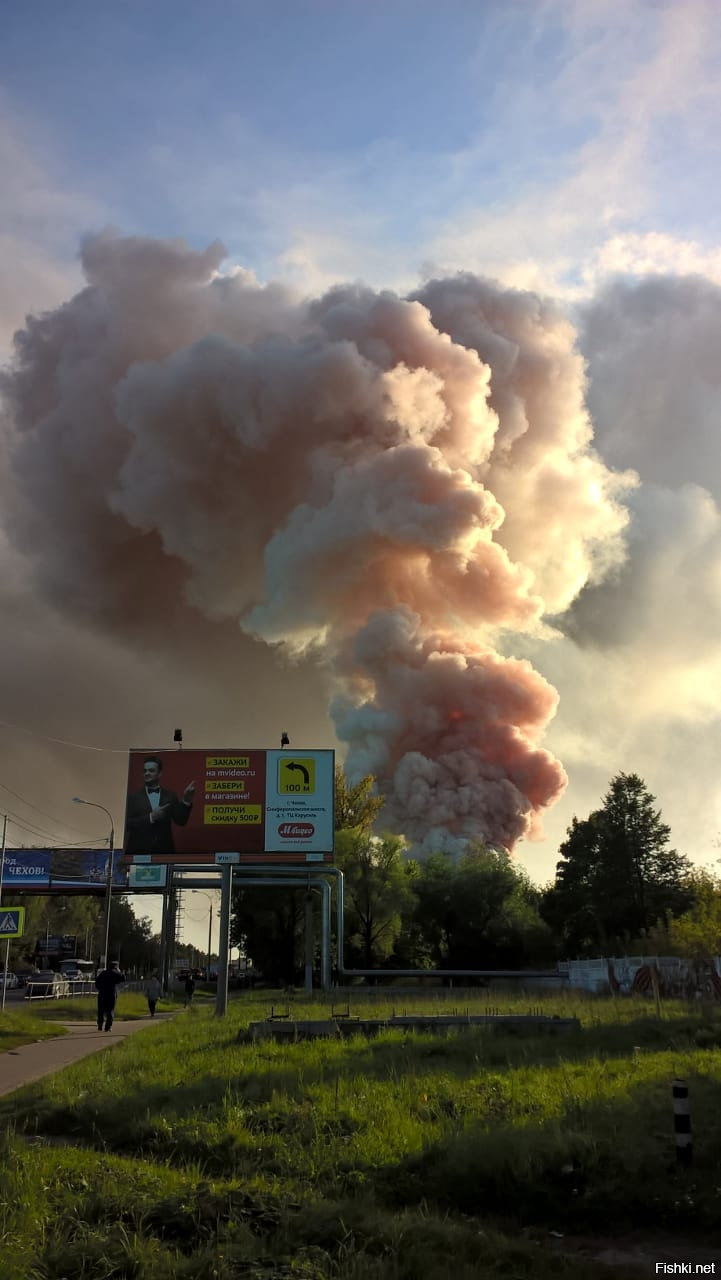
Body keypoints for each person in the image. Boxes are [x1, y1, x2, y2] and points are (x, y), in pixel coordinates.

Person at [124, 756, 195, 855]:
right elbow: (126, 824)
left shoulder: (170, 796)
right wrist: (150, 817)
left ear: (160, 773)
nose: (147, 773)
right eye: (145, 771)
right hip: (138, 853)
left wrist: (186, 800)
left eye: (151, 771)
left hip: (164, 853)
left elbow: (180, 821)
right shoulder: (133, 797)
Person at [95, 960, 126, 1031]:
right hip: (111, 994)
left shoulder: (103, 973)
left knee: (101, 1010)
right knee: (110, 1010)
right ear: (116, 967)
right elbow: (123, 979)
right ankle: (108, 1027)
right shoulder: (115, 973)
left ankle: (100, 1024)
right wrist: (120, 971)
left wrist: (100, 988)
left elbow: (97, 982)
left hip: (102, 994)